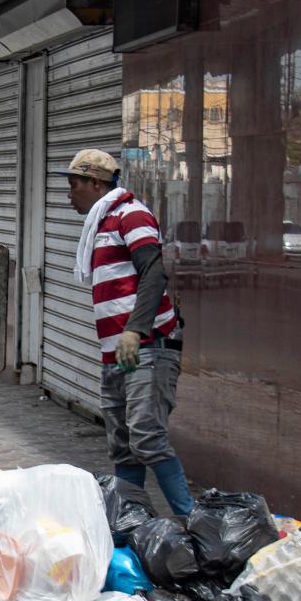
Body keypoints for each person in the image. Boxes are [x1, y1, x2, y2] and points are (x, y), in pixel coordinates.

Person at [64, 149, 193, 515]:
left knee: (147, 437)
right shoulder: (101, 225)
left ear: (95, 183)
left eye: (74, 184)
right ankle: (132, 521)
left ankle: (191, 519)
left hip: (147, 347)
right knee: (123, 444)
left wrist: (135, 331)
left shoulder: (130, 215)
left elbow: (153, 272)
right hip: (116, 353)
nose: (69, 193)